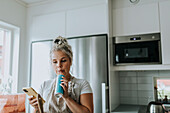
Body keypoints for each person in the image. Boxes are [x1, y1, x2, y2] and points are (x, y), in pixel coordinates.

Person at [28, 36, 93, 113]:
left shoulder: (82, 84)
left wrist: (66, 97)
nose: (59, 65)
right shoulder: (45, 85)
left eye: (63, 61)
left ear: (70, 61)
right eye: (55, 62)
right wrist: (36, 108)